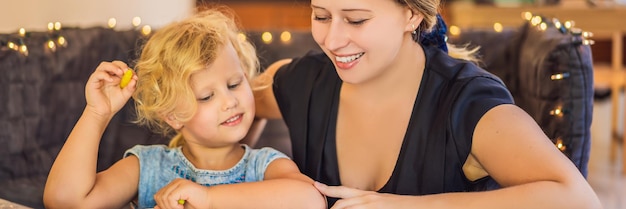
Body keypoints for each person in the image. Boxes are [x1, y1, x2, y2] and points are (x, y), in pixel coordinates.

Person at [252, 0, 603, 208]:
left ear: (412, 15)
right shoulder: (303, 81)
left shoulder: (467, 104)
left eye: (356, 19)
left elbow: (578, 200)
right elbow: (225, 109)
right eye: (321, 15)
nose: (332, 39)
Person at [43, 8, 326, 209]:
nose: (230, 102)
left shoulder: (265, 166)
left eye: (235, 83)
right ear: (172, 116)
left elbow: (310, 200)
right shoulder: (149, 168)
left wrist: (208, 199)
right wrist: (96, 114)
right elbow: (65, 201)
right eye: (206, 97)